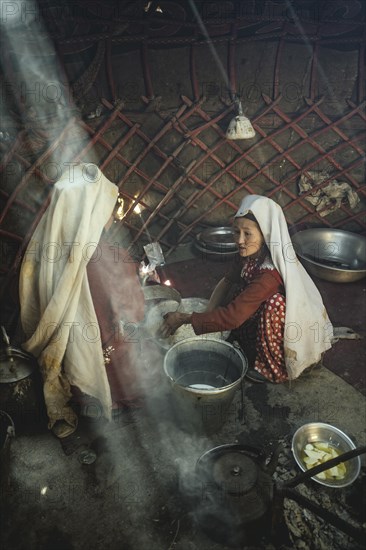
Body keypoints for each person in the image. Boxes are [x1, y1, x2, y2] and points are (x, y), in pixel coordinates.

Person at [19, 163, 145, 438]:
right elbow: (133, 312)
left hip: (67, 358)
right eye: (109, 205)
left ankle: (82, 398)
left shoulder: (43, 250)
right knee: (140, 345)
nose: (112, 213)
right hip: (105, 360)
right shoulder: (112, 257)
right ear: (95, 211)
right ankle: (116, 403)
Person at [161, 194, 333, 383]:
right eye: (236, 232)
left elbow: (233, 317)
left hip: (288, 329)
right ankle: (247, 341)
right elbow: (227, 281)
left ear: (265, 234)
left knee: (273, 305)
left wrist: (185, 318)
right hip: (253, 311)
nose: (240, 240)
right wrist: (207, 314)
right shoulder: (248, 255)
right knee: (239, 290)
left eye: (247, 233)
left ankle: (274, 369)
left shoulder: (269, 273)